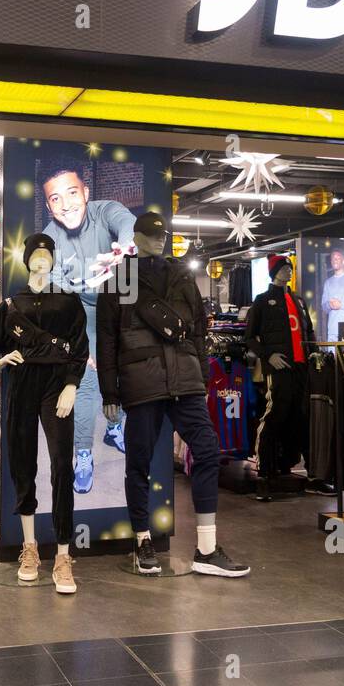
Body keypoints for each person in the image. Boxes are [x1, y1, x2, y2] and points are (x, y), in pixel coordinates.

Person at [96, 212, 249, 579]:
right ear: (136, 237)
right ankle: (142, 541)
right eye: (151, 235)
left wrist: (198, 367)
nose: (159, 240)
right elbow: (107, 339)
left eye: (162, 234)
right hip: (142, 382)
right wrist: (109, 391)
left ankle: (207, 549)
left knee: (208, 450)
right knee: (140, 462)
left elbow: (197, 327)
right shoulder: (120, 278)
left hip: (185, 381)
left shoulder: (181, 275)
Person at [0, 233, 88, 595]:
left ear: (53, 259)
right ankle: (30, 548)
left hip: (55, 385)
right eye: (34, 254)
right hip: (21, 383)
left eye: (46, 254)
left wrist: (71, 384)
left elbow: (80, 347)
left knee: (61, 467)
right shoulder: (10, 305)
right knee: (23, 464)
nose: (40, 259)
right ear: (25, 260)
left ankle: (64, 554)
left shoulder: (68, 302)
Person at [39, 167, 135, 494]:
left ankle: (113, 426)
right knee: (88, 378)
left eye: (72, 193)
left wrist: (124, 247)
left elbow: (126, 222)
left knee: (120, 370)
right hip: (79, 308)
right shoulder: (50, 238)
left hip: (117, 300)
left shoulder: (104, 210)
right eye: (55, 198)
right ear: (49, 207)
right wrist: (83, 346)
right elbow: (56, 297)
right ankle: (83, 452)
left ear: (86, 192)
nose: (65, 204)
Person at [244, 254, 315, 499]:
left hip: (301, 367)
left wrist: (313, 356)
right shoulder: (262, 301)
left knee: (299, 415)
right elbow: (250, 337)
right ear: (274, 271)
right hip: (279, 368)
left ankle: (289, 465)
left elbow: (309, 332)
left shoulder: (298, 301)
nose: (288, 272)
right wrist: (268, 356)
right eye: (284, 268)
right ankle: (264, 472)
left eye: (290, 268)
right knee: (275, 414)